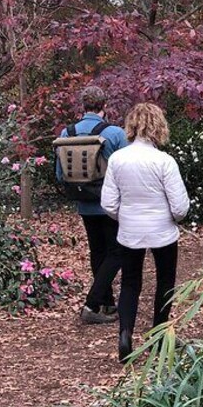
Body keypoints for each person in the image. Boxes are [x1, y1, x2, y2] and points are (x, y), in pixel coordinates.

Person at [100, 103, 190, 363]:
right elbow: (180, 206)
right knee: (164, 282)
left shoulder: (117, 159)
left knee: (130, 282)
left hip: (130, 231)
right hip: (163, 232)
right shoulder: (164, 161)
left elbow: (108, 203)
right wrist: (172, 218)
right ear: (158, 126)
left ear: (132, 126)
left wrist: (124, 215)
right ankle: (158, 336)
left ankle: (125, 334)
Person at [56, 86, 129, 324]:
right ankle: (92, 303)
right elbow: (127, 171)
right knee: (117, 252)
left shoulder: (66, 134)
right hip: (110, 204)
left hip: (84, 202)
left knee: (98, 252)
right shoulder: (116, 133)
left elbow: (60, 174)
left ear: (82, 106)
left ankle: (106, 306)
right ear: (104, 106)